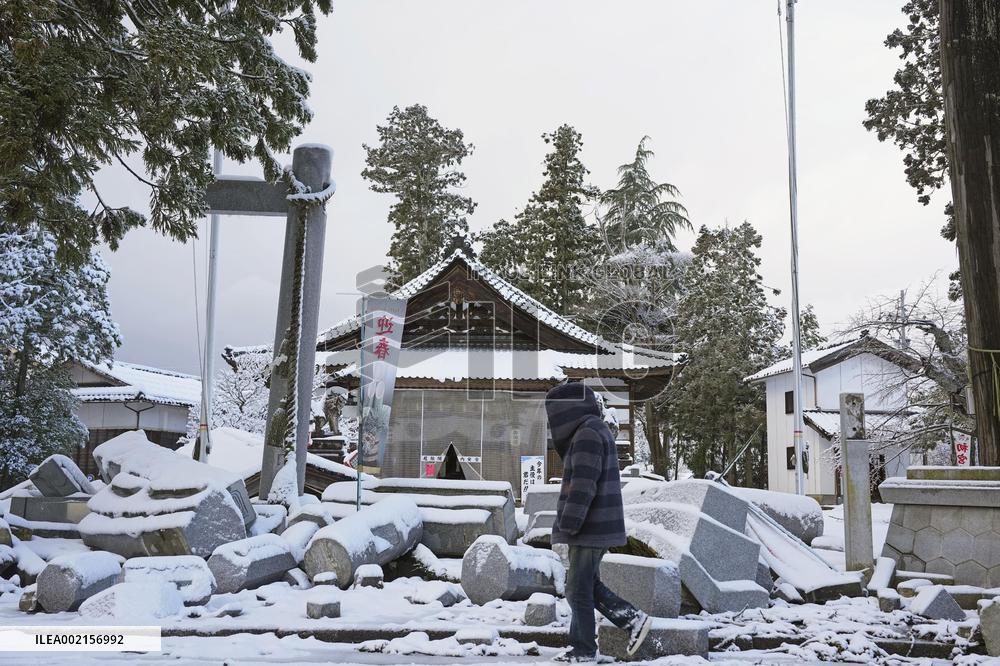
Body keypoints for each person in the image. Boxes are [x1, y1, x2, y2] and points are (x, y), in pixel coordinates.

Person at [546, 382, 652, 662]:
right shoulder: (593, 429)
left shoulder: (587, 434)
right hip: (595, 526)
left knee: (577, 590)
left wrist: (568, 524)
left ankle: (588, 648)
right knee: (584, 586)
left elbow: (582, 486)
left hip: (589, 528)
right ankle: (626, 623)